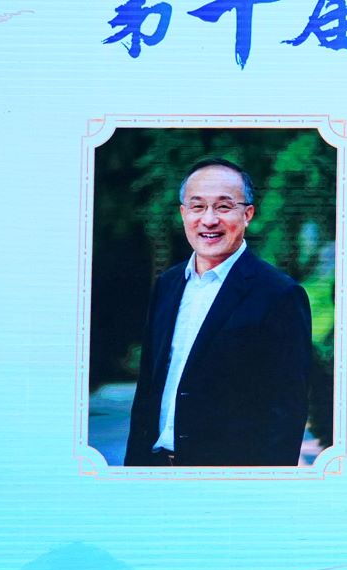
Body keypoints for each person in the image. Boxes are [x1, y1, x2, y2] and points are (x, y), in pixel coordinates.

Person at [123, 158, 312, 467]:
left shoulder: (279, 295)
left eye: (224, 207)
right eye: (197, 207)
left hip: (226, 479)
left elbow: (287, 413)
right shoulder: (168, 284)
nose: (209, 220)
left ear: (247, 214)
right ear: (183, 213)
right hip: (154, 469)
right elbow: (146, 390)